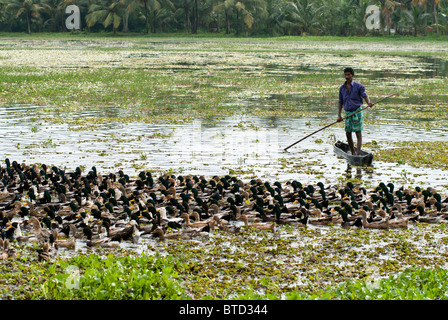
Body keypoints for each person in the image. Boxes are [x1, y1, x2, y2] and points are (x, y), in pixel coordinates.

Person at [337, 67, 373, 155]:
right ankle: (352, 152)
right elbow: (340, 102)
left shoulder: (359, 86)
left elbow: (365, 96)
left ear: (352, 75)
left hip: (357, 111)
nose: (347, 76)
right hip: (348, 113)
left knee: (358, 132)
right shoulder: (342, 88)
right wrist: (339, 115)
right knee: (348, 133)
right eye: (345, 74)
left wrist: (368, 103)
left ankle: (357, 153)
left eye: (348, 74)